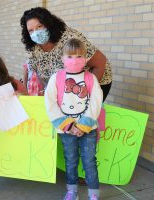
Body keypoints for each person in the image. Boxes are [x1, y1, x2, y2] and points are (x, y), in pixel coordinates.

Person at [45, 38, 103, 200]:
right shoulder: (56, 78)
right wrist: (68, 126)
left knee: (89, 161)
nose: (74, 60)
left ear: (85, 59)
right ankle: (72, 192)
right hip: (66, 130)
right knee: (70, 161)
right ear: (63, 58)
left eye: (78, 56)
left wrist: (83, 125)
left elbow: (96, 102)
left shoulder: (91, 78)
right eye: (70, 56)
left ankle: (94, 194)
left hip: (88, 129)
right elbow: (50, 103)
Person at [20, 7, 112, 101]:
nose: (36, 33)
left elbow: (100, 63)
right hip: (68, 86)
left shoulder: (70, 39)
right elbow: (40, 74)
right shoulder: (34, 47)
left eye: (39, 26)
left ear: (49, 24)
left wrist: (85, 92)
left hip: (96, 79)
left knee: (85, 112)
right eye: (31, 30)